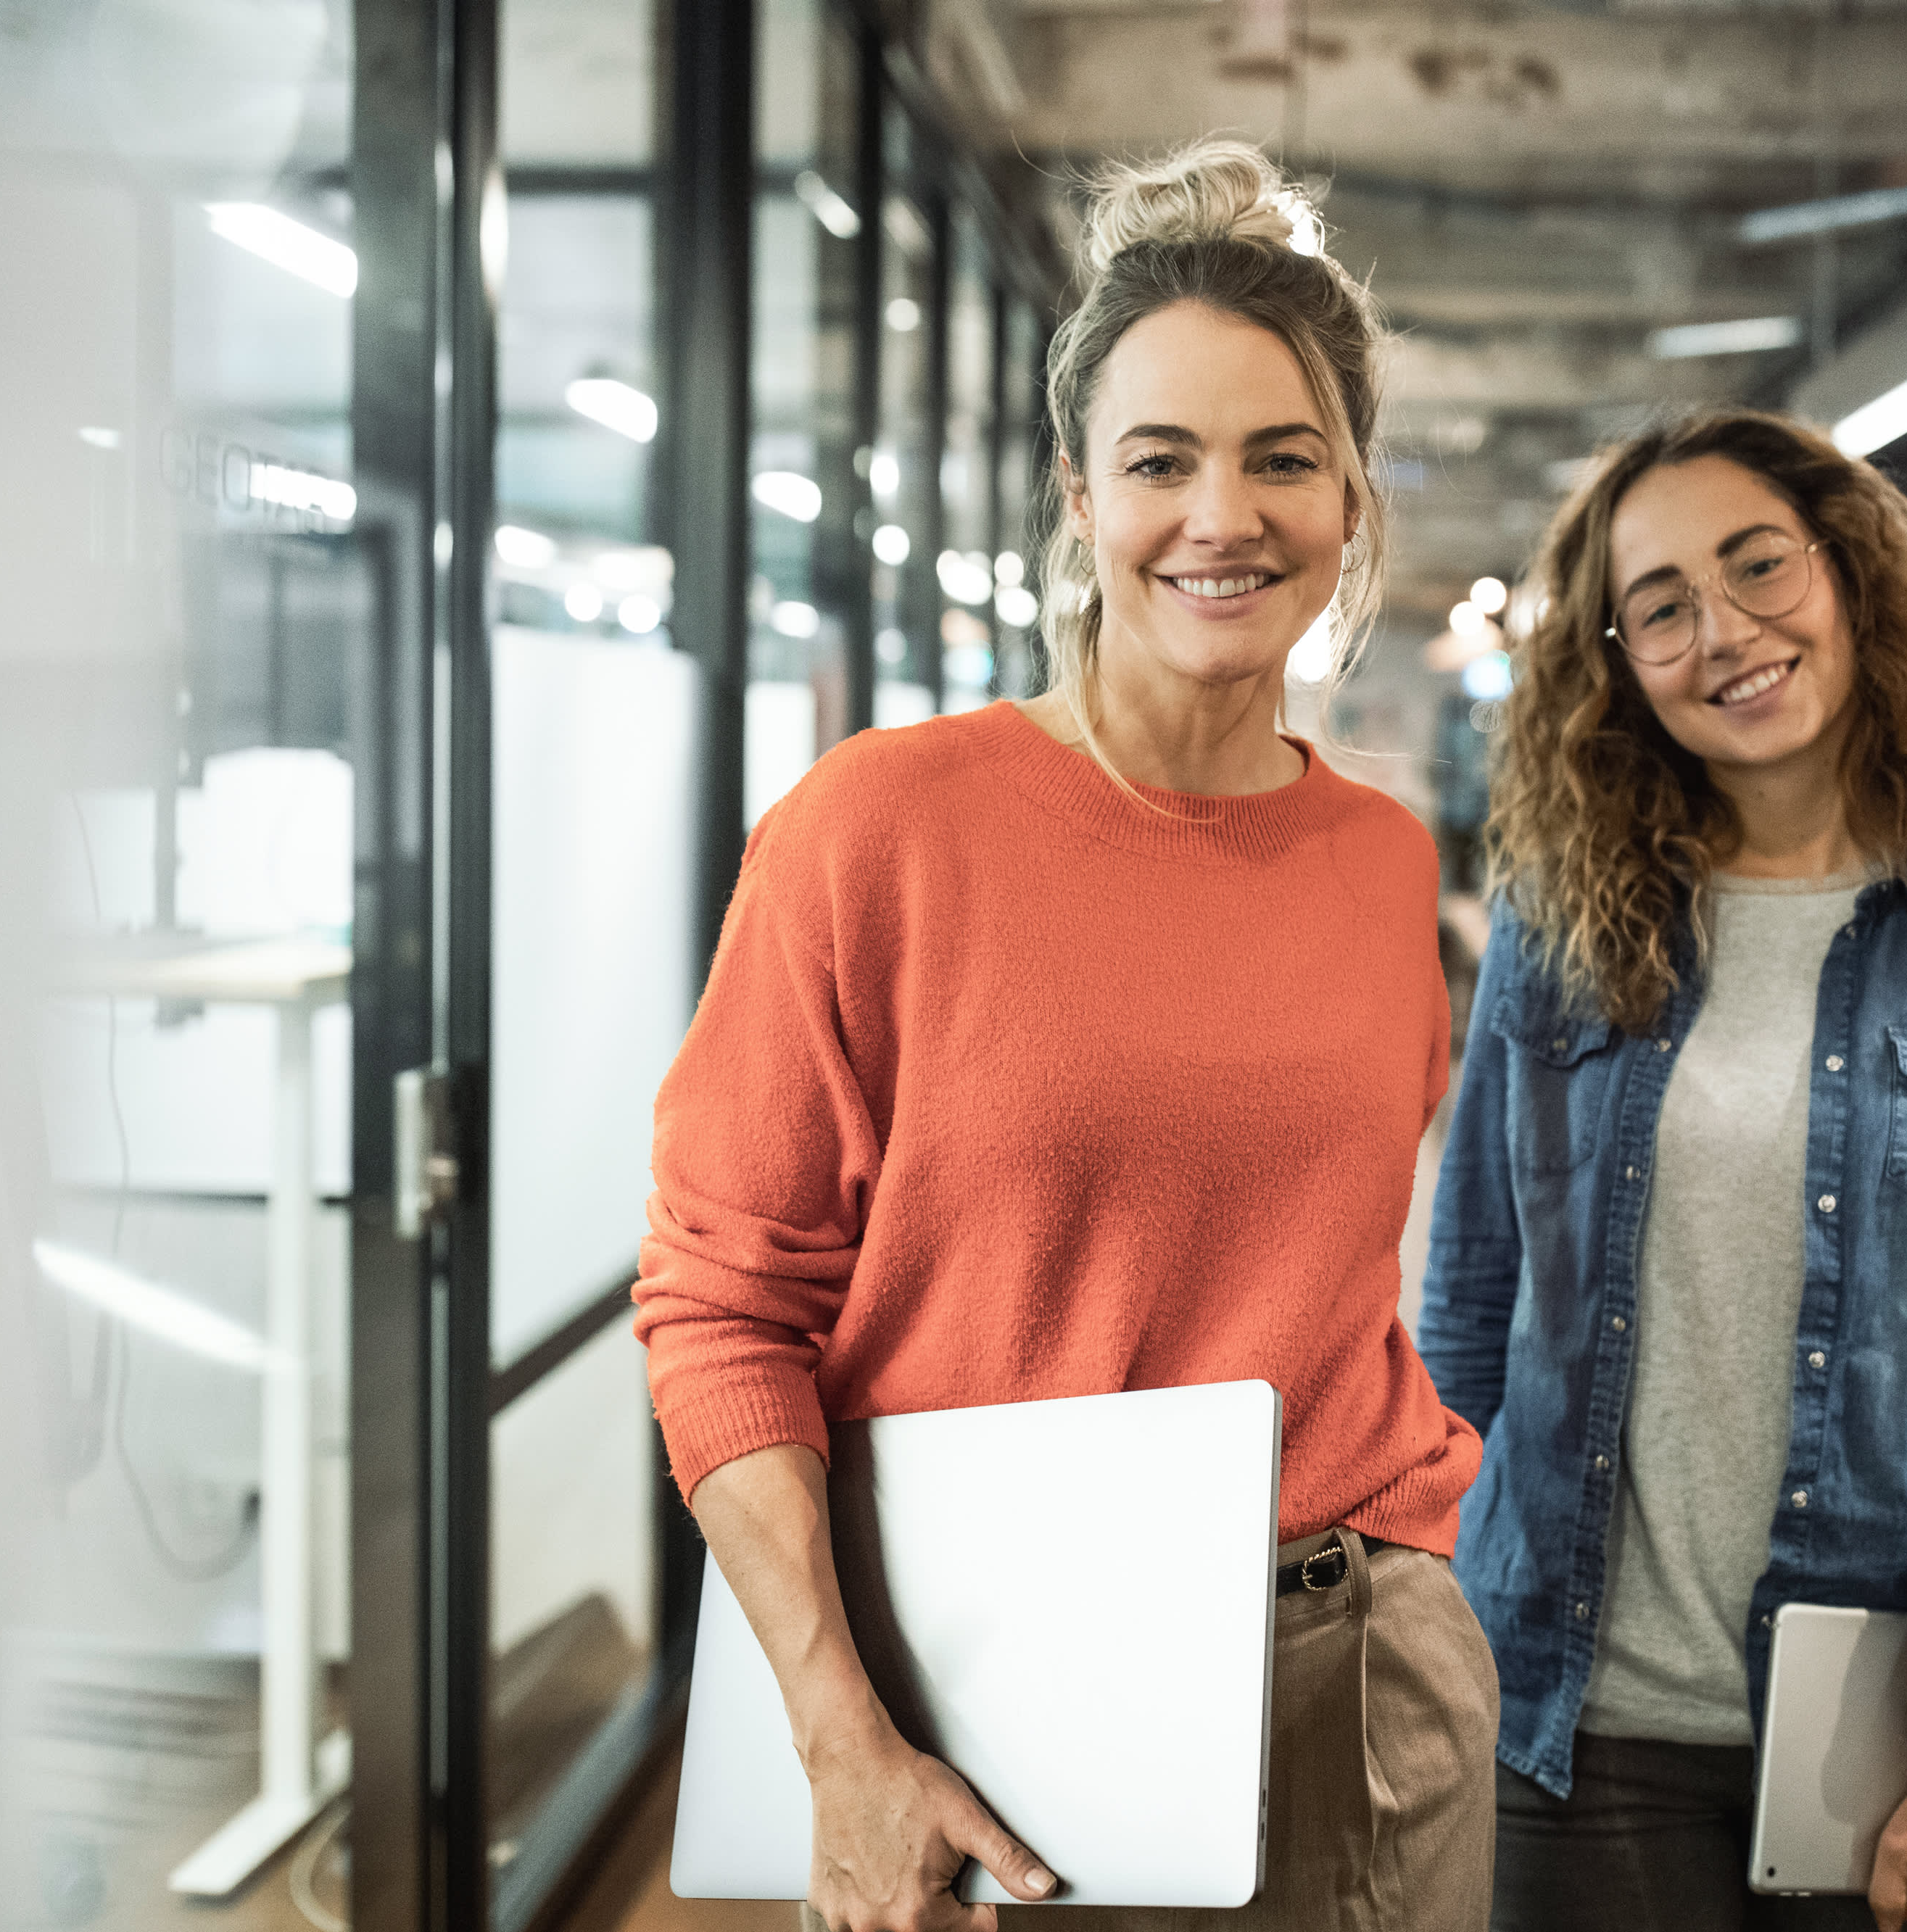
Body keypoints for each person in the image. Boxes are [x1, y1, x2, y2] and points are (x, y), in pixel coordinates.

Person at [634, 138, 1498, 1932]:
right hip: (986, 1691)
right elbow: (720, 1312)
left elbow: (1343, 1281)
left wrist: (1420, 1580)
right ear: (1077, 493)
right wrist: (839, 1736)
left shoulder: (1376, 861)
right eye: (1160, 460)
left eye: (1283, 460)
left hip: (1357, 1676)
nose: (1221, 517)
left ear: (1348, 500)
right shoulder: (877, 832)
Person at [1420, 407, 1907, 1932]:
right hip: (1567, 1723)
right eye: (1659, 606)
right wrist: (1415, 1650)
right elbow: (1469, 1312)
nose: (1721, 631)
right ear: (1615, 661)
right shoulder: (1554, 925)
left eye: (1757, 566)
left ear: (1848, 570)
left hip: (1884, 1732)